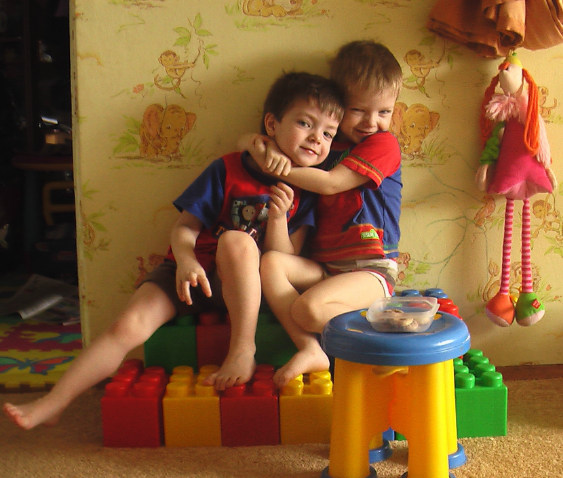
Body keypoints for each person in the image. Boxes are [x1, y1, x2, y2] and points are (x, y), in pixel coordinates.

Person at [3, 71, 344, 430]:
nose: (316, 138)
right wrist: (185, 261)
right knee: (126, 326)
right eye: (305, 123)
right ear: (272, 124)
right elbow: (185, 226)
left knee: (237, 241)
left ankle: (242, 350)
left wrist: (277, 218)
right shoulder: (227, 168)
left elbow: (284, 257)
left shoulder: (308, 191)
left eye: (328, 133)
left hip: (244, 285)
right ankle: (53, 403)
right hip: (190, 272)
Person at [245, 40, 403, 387]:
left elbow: (331, 184)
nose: (372, 122)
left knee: (309, 310)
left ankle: (390, 341)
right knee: (270, 263)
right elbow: (266, 143)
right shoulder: (325, 145)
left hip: (370, 270)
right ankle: (311, 348)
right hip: (326, 269)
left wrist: (273, 165)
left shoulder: (383, 144)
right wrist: (256, 145)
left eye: (384, 112)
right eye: (358, 110)